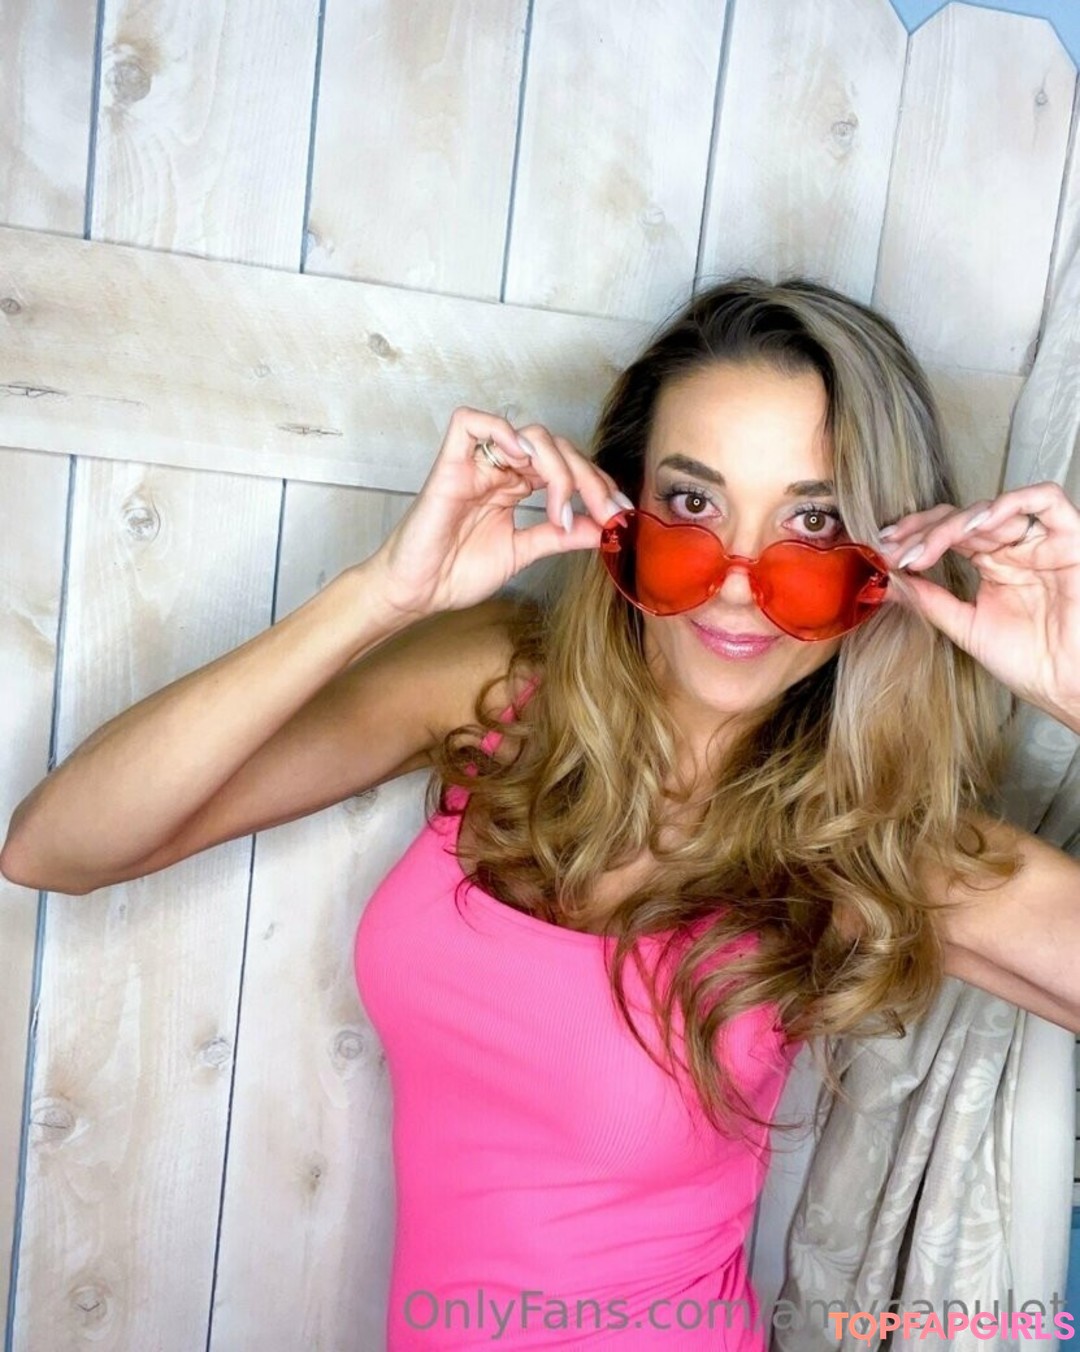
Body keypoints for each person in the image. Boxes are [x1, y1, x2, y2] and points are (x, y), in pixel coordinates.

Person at [2, 277, 1079, 1351]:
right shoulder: (495, 687)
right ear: (623, 506)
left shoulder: (866, 846)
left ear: (882, 565)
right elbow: (57, 846)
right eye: (693, 506)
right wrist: (382, 594)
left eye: (813, 523)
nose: (736, 585)